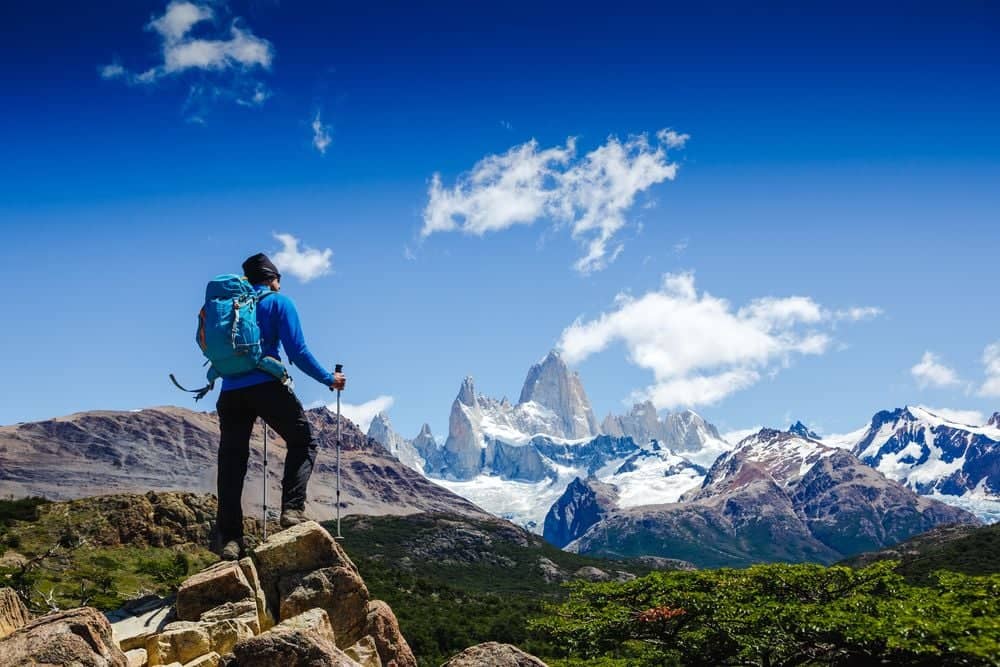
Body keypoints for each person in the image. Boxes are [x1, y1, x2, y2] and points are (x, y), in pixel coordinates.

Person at [215, 253, 346, 560]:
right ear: (272, 279)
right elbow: (297, 352)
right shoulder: (278, 303)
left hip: (230, 392)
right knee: (303, 441)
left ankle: (231, 541)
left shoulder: (231, 308)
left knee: (232, 464)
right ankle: (291, 510)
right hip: (267, 386)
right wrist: (329, 378)